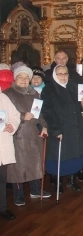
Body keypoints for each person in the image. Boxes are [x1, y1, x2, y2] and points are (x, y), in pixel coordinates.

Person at [3, 66, 51, 206]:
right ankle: (18, 195)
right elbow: (4, 114)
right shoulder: (8, 94)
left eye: (26, 77)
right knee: (17, 167)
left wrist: (44, 126)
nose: (23, 80)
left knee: (34, 163)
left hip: (32, 134)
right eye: (20, 77)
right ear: (15, 78)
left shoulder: (34, 93)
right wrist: (23, 116)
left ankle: (35, 190)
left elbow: (39, 114)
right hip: (16, 134)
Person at [41, 65, 83, 193]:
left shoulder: (73, 86)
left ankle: (72, 181)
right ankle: (58, 183)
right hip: (61, 128)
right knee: (59, 157)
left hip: (75, 128)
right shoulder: (48, 89)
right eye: (60, 74)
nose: (63, 76)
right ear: (55, 75)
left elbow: (80, 108)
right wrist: (56, 129)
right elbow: (47, 111)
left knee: (74, 156)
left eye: (65, 74)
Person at [0, 91, 20, 220]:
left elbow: (15, 115)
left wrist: (12, 126)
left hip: (2, 145)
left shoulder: (3, 97)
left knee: (1, 179)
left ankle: (2, 207)